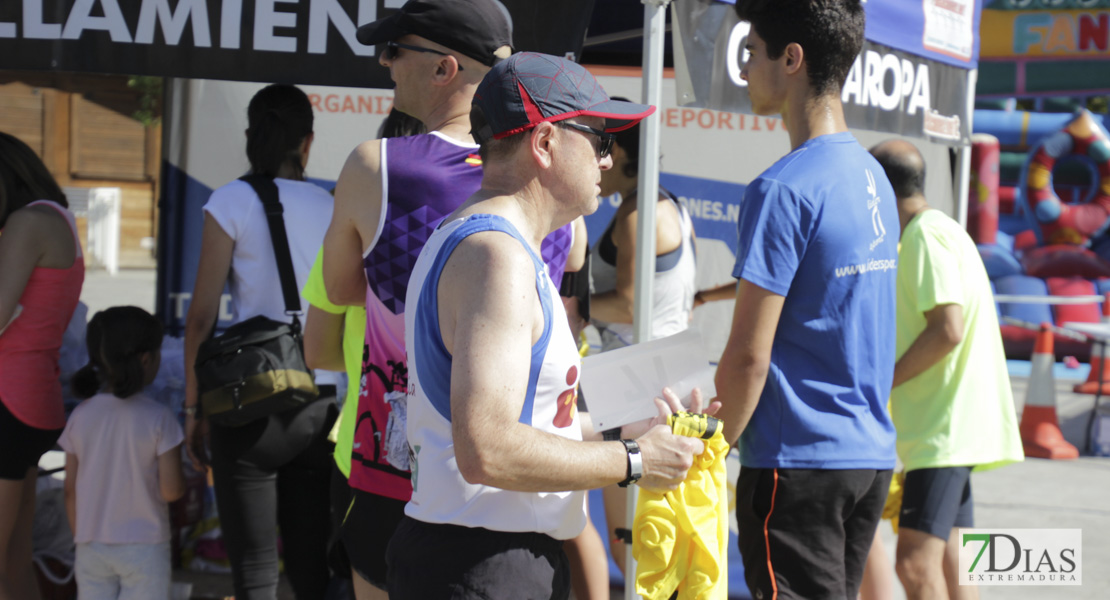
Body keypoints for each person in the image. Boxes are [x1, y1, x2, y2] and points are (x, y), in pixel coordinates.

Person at [387, 51, 707, 600]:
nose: (608, 161)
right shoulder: (497, 256)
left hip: (487, 558)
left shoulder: (492, 243)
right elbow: (486, 448)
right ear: (545, 143)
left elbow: (527, 424)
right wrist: (634, 461)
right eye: (601, 140)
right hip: (481, 564)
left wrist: (626, 431)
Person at [321, 1, 517, 596]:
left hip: (396, 464)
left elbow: (338, 291)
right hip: (512, 474)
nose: (385, 63)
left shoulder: (376, 166)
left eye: (394, 49)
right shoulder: (548, 172)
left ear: (445, 68)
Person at [714, 2, 900, 598]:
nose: (744, 71)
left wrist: (705, 449)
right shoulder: (873, 177)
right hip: (866, 459)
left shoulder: (783, 187)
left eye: (752, 53)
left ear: (791, 59)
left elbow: (748, 354)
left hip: (797, 464)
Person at [183, 84, 338, 600]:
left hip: (250, 401)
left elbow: (201, 318)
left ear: (251, 137)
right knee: (313, 571)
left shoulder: (230, 201)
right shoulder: (331, 204)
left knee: (253, 574)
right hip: (322, 402)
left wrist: (192, 407)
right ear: (307, 143)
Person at [870, 139, 1023, 600]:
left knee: (915, 564)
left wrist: (883, 381)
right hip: (952, 426)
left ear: (878, 187)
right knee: (955, 560)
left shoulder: (924, 237)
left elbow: (948, 330)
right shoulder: (945, 230)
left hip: (944, 431)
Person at [301, 108, 425, 596]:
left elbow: (317, 350)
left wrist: (365, 360)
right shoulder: (479, 237)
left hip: (366, 448)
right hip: (457, 460)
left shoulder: (350, 244)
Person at [588, 110, 698, 573]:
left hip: (636, 384)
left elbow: (630, 305)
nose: (597, 161)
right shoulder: (668, 203)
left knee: (633, 547)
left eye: (603, 148)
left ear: (625, 154)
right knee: (657, 543)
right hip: (665, 377)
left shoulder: (637, 215)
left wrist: (561, 306)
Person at [0, 132, 85, 600]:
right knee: (15, 558)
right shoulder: (55, 219)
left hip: (8, 397)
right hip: (31, 399)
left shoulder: (26, 222)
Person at [58, 307, 185, 599]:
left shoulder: (81, 415)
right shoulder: (159, 418)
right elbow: (171, 490)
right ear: (145, 359)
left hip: (90, 543)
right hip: (145, 545)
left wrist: (83, 536)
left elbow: (70, 490)